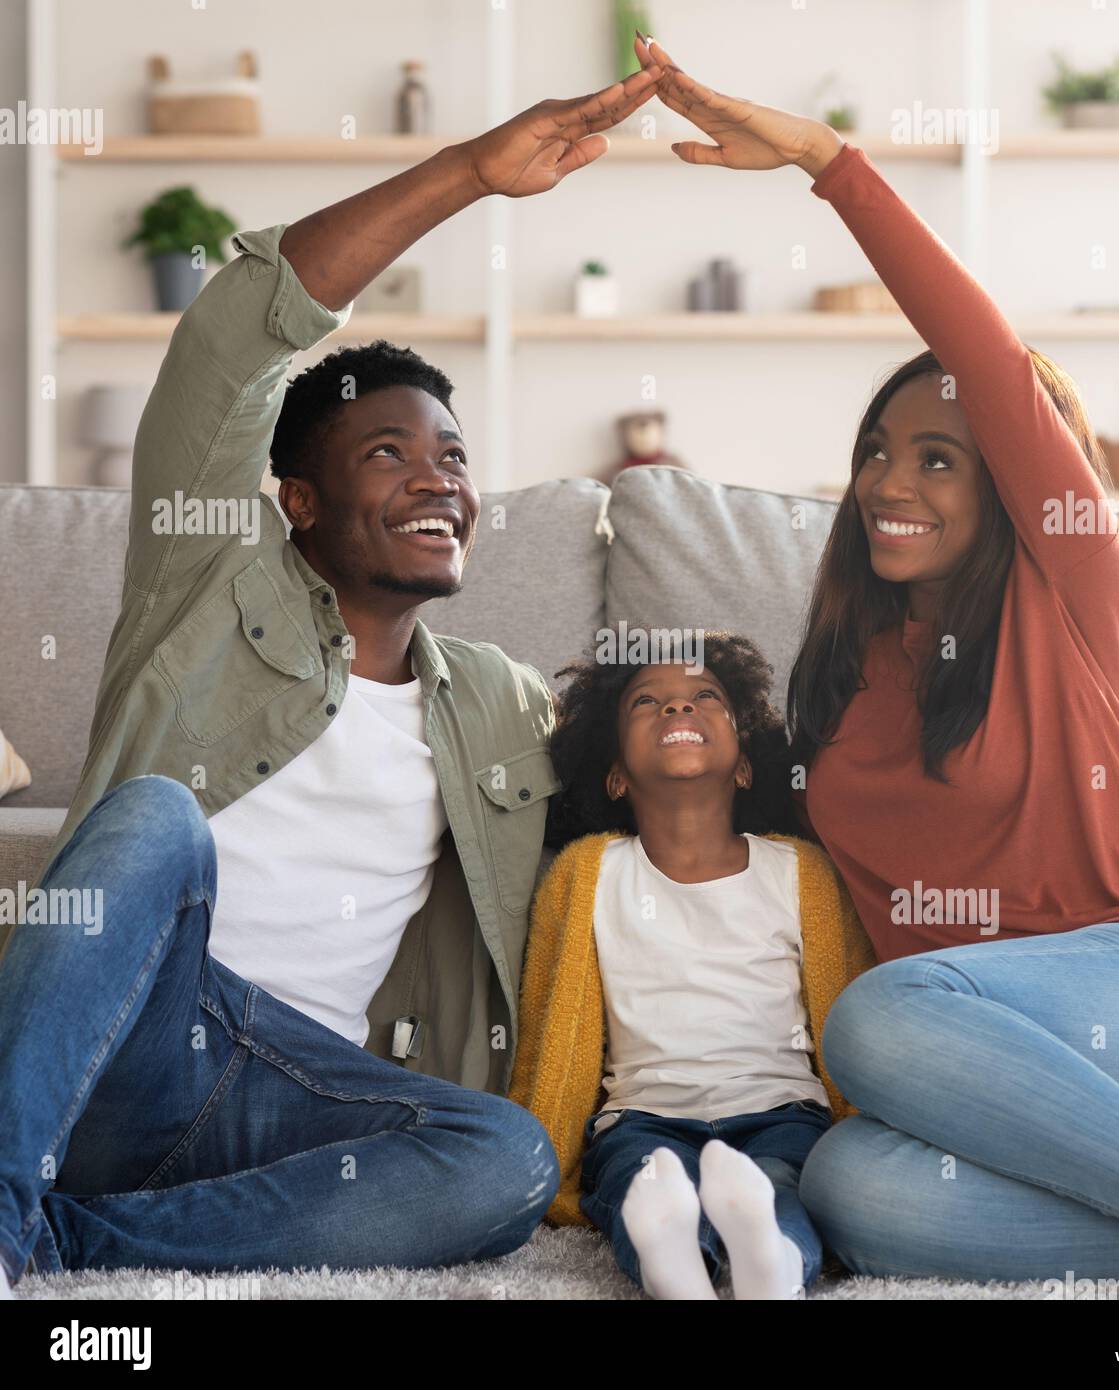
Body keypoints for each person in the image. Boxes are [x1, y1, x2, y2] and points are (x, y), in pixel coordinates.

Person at [633, 33, 1119, 1299]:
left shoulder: (1075, 594)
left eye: (939, 456)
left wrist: (833, 165)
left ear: (1012, 479)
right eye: (880, 449)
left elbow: (987, 364)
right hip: (1018, 1091)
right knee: (849, 1191)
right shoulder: (843, 669)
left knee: (877, 1021)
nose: (889, 479)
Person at [0, 61, 669, 1296]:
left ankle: (75, 1251)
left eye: (454, 457)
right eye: (389, 451)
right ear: (294, 500)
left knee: (503, 1157)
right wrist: (471, 171)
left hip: (300, 1088)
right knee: (148, 819)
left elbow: (665, 787)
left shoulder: (503, 704)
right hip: (130, 1034)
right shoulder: (207, 575)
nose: (440, 480)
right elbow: (233, 331)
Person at [507, 634, 874, 1298]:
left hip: (783, 1112)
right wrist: (544, 1156)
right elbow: (554, 1031)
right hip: (644, 1117)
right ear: (614, 772)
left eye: (706, 697)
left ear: (743, 763)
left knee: (784, 1185)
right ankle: (672, 1259)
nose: (679, 709)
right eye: (649, 702)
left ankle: (774, 1260)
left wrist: (857, 1126)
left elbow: (849, 1016)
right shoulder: (587, 874)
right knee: (639, 1181)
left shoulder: (802, 872)